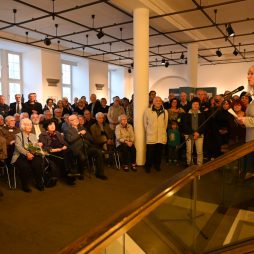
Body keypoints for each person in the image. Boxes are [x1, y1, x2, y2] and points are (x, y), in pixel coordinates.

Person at [64, 115, 107, 180]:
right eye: (73, 120)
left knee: (98, 152)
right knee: (82, 156)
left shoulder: (82, 128)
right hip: (76, 149)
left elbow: (91, 139)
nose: (76, 120)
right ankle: (80, 173)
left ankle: (100, 173)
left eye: (76, 119)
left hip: (86, 147)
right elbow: (70, 140)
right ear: (70, 122)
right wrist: (79, 134)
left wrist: (85, 135)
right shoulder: (67, 130)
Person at [39, 119, 76, 186]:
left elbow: (65, 143)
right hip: (52, 153)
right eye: (50, 125)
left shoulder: (58, 133)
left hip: (61, 151)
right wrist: (57, 150)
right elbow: (45, 148)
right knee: (65, 155)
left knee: (69, 151)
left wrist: (65, 146)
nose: (53, 126)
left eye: (53, 124)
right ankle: (69, 174)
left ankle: (69, 173)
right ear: (46, 126)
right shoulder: (42, 135)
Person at [11, 118, 44, 192]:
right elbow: (19, 147)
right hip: (20, 155)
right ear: (22, 126)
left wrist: (38, 151)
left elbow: (36, 146)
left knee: (37, 164)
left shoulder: (33, 135)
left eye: (30, 125)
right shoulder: (18, 135)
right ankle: (25, 185)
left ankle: (39, 183)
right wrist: (27, 154)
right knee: (24, 166)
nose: (29, 126)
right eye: (27, 125)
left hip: (33, 154)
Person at [237, 65, 254, 178]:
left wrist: (245, 119)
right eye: (248, 73)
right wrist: (242, 121)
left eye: (252, 73)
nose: (248, 76)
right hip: (250, 140)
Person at [144, 96, 168, 172]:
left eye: (159, 101)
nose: (158, 102)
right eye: (156, 101)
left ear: (161, 102)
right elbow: (145, 123)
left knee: (159, 152)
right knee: (150, 152)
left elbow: (165, 124)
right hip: (151, 135)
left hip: (161, 135)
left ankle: (157, 165)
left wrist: (163, 131)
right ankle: (148, 166)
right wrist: (149, 131)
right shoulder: (148, 111)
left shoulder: (165, 112)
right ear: (153, 102)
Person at [181, 97, 206, 166]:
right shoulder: (186, 114)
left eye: (197, 104)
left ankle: (199, 165)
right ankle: (189, 163)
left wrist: (198, 133)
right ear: (191, 105)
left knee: (199, 151)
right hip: (189, 134)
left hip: (199, 135)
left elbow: (204, 125)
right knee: (189, 151)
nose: (195, 105)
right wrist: (193, 132)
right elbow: (185, 125)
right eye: (194, 104)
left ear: (199, 105)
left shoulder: (202, 114)